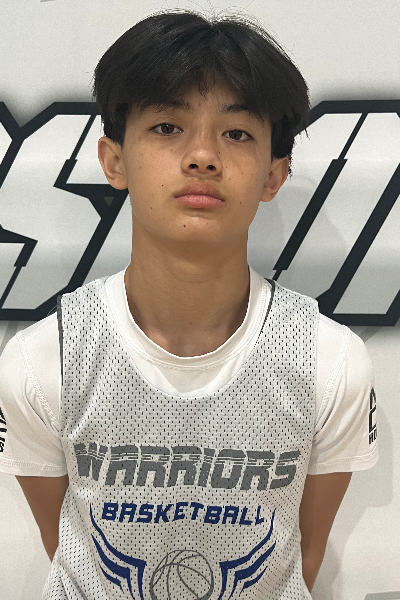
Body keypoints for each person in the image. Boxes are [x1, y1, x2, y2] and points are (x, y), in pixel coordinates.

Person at [0, 8, 378, 600]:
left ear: (274, 175)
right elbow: (71, 551)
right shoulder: (43, 359)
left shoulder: (329, 361)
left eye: (237, 134)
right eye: (167, 127)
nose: (203, 156)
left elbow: (301, 556)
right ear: (114, 161)